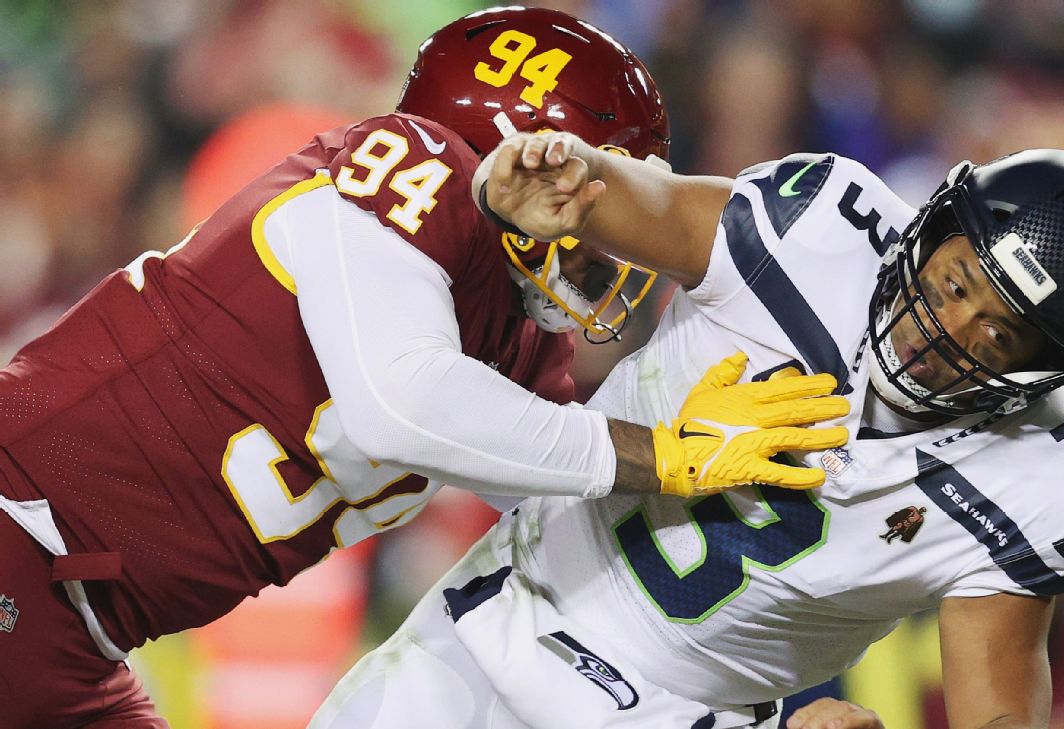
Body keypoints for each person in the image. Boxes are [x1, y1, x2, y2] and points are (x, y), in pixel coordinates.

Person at [0, 9, 850, 729]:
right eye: (599, 189)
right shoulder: (408, 164)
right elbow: (400, 402)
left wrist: (774, 710)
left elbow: (603, 567)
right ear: (522, 158)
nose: (619, 237)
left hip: (80, 635)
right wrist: (661, 449)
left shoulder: (520, 346)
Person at [307, 132, 1064, 729]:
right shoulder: (821, 230)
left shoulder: (1041, 483)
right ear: (931, 231)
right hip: (494, 616)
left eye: (998, 334)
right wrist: (571, 177)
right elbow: (642, 201)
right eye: (957, 280)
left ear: (1045, 374)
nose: (946, 328)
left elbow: (997, 704)